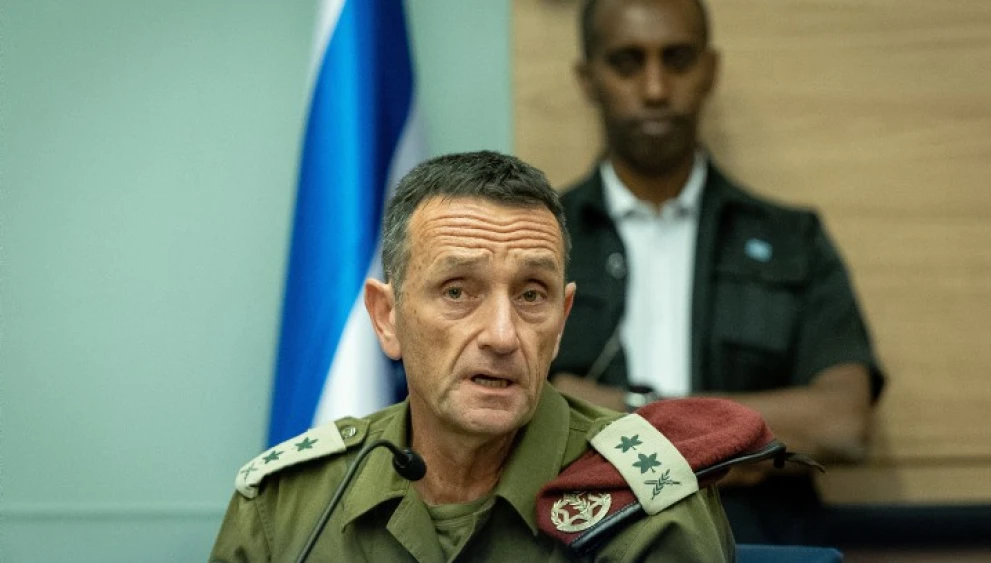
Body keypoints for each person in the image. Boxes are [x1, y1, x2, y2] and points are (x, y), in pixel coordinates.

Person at [210, 151, 763, 562]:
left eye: (532, 295)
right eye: (457, 291)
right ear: (387, 317)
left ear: (562, 319)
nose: (502, 335)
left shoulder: (647, 504)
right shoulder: (287, 505)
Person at [549, 0, 885, 545]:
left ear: (709, 70)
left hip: (757, 542)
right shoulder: (538, 243)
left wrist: (630, 413)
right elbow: (518, 418)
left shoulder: (792, 239)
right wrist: (741, 444)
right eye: (628, 63)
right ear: (588, 79)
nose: (655, 88)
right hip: (585, 541)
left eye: (677, 59)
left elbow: (842, 423)